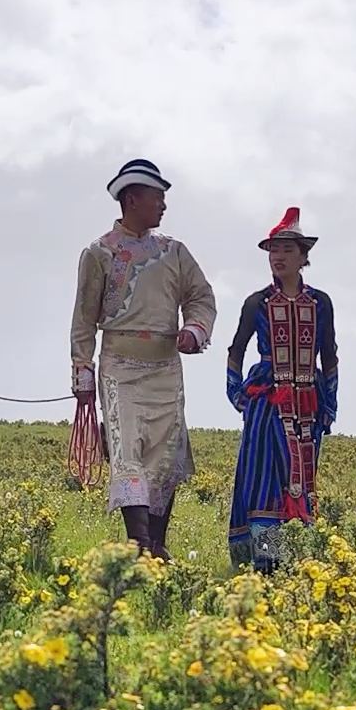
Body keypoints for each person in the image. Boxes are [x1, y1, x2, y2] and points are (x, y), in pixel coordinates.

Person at [69, 159, 217, 560]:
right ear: (132, 200)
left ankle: (158, 543)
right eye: (158, 197)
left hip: (166, 367)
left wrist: (195, 330)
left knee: (165, 454)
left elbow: (201, 297)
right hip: (119, 366)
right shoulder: (98, 253)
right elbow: (84, 316)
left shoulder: (175, 252)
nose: (164, 206)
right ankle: (139, 546)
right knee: (126, 450)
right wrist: (82, 369)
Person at [225, 207, 338, 573]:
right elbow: (236, 349)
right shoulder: (257, 303)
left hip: (308, 404)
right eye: (273, 250)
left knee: (300, 480)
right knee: (262, 483)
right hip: (266, 404)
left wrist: (330, 403)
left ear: (303, 257)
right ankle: (266, 561)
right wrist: (237, 394)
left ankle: (295, 560)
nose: (278, 257)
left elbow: (329, 354)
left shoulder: (320, 304)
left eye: (287, 250)